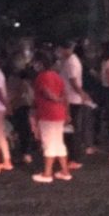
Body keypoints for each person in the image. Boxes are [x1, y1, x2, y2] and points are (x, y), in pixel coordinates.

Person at [32, 52, 72, 184]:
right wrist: (66, 112)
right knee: (58, 142)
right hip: (59, 114)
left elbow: (46, 92)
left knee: (48, 143)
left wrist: (55, 99)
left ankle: (47, 173)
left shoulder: (42, 77)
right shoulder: (57, 76)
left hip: (47, 113)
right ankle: (65, 171)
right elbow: (65, 94)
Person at [58, 41, 89, 169]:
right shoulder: (69, 61)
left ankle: (74, 158)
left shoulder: (72, 62)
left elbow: (73, 81)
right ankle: (71, 156)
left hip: (72, 100)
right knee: (70, 129)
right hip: (70, 98)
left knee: (72, 129)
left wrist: (82, 94)